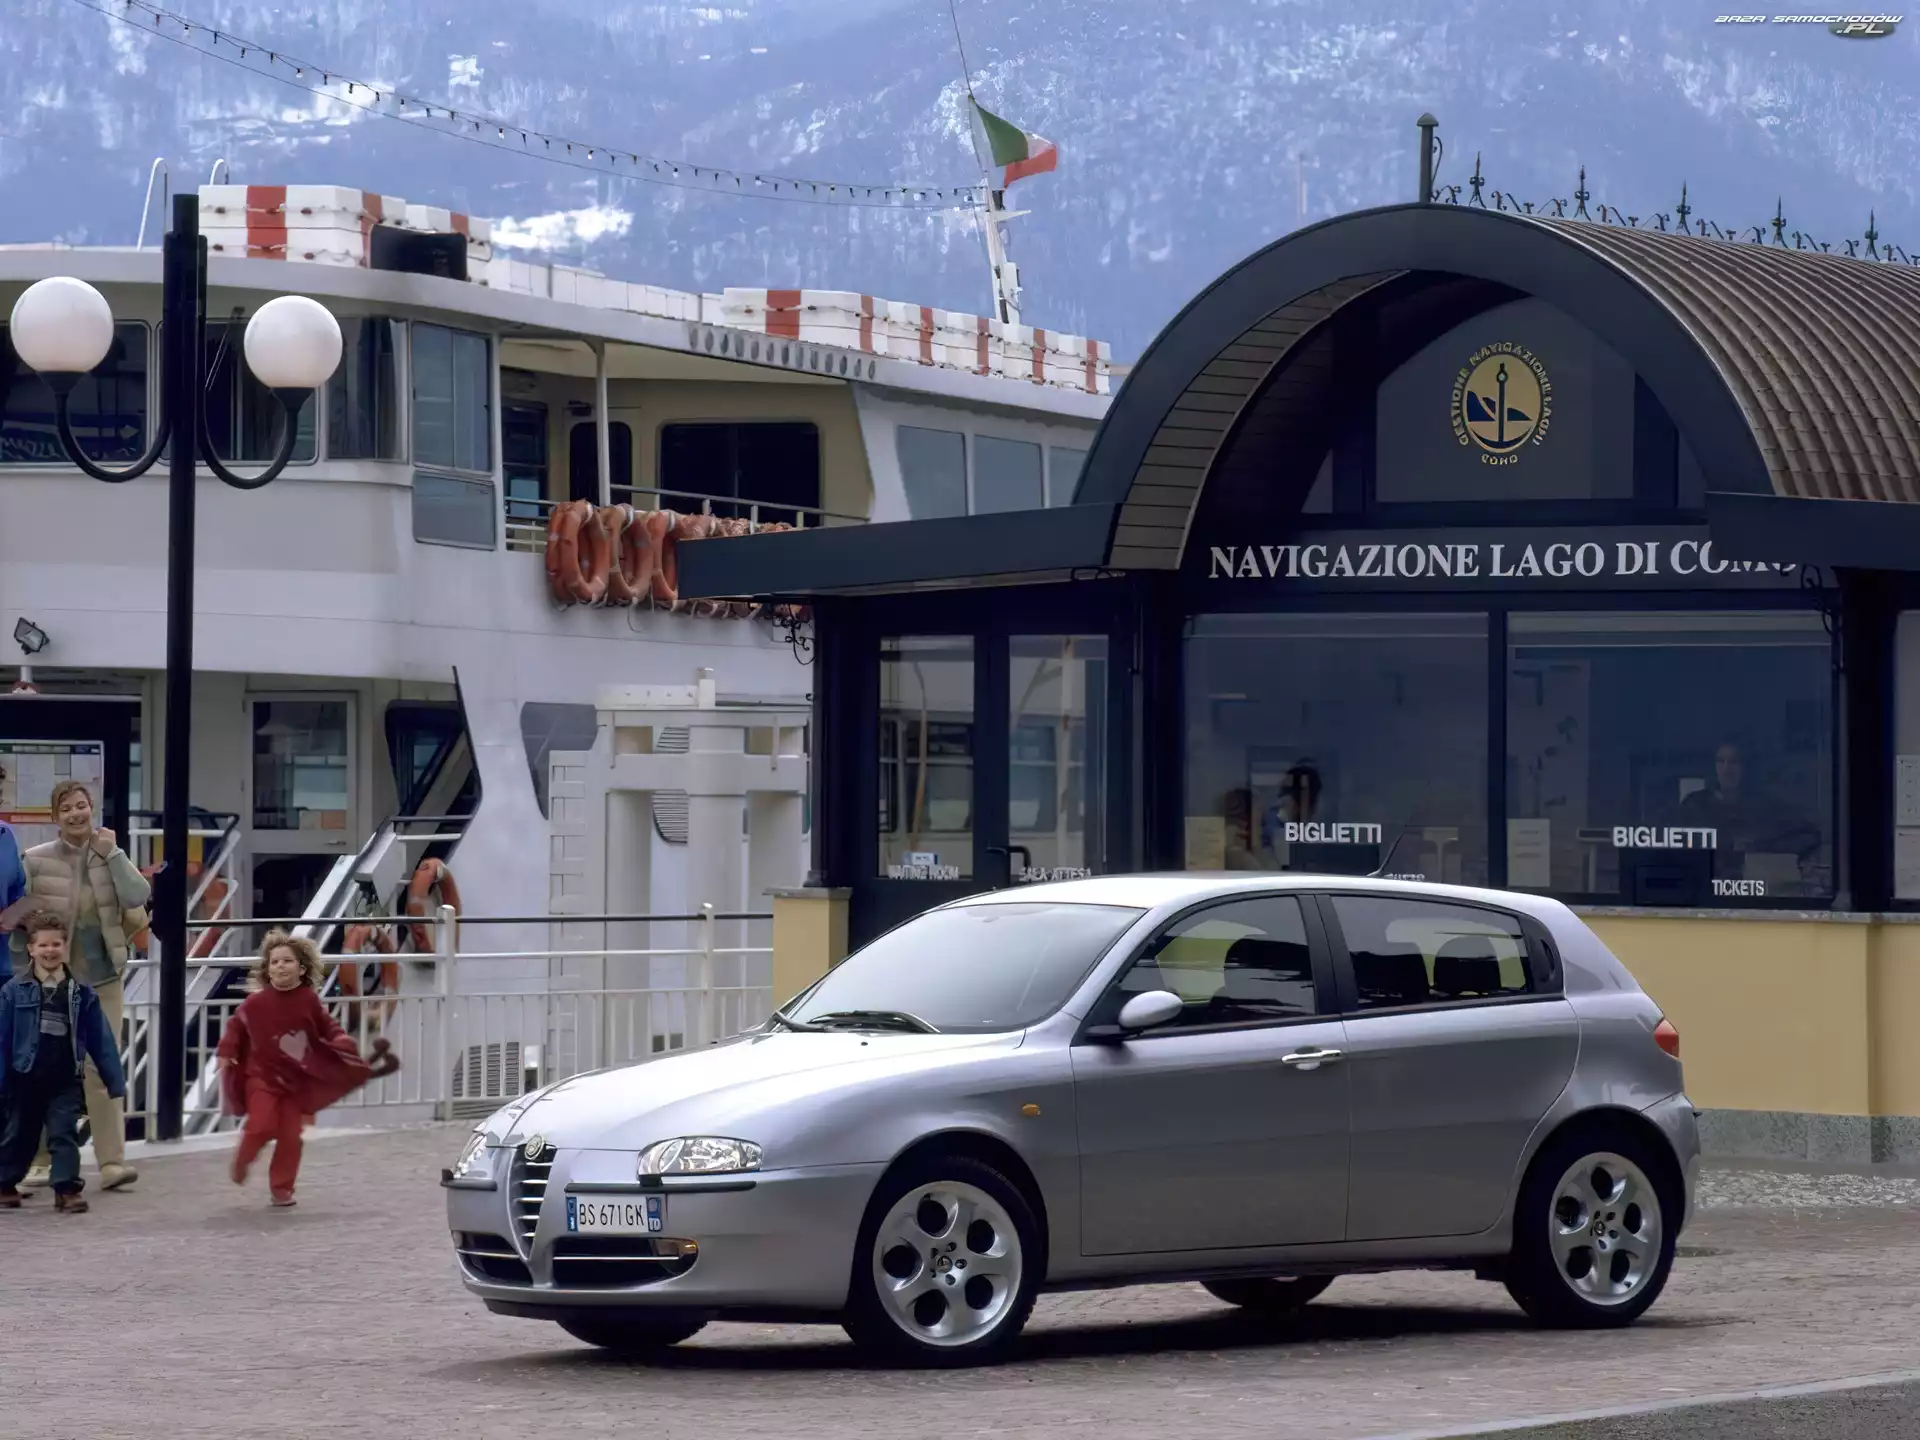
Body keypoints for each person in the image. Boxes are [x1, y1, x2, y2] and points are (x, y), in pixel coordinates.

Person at [7, 780, 149, 1193]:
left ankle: (112, 1162)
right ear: (55, 817)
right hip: (52, 984)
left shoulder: (109, 854)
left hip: (103, 980)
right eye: (66, 808)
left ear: (92, 808)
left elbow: (138, 895)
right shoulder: (35, 859)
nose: (75, 813)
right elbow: (16, 914)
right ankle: (38, 1159)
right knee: (44, 1068)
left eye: (81, 805)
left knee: (101, 1068)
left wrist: (114, 853)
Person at [216, 930, 399, 1208]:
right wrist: (226, 1052)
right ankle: (243, 1159)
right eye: (275, 962)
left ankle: (282, 1188)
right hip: (261, 1077)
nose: (280, 966)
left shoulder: (309, 1000)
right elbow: (235, 1028)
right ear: (267, 970)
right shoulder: (254, 1003)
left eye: (287, 961)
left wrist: (341, 1040)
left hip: (294, 1081)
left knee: (291, 1137)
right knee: (261, 1124)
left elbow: (328, 1026)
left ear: (301, 969)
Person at [0, 912, 127, 1213]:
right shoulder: (13, 992)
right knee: (19, 1135)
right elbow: (3, 1039)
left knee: (64, 1132)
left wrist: (114, 1079)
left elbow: (100, 1038)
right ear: (31, 949)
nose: (50, 950)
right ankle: (4, 1183)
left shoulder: (81, 991)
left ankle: (66, 1189)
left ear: (65, 948)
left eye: (56, 944)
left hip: (65, 1077)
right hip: (24, 1076)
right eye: (43, 945)